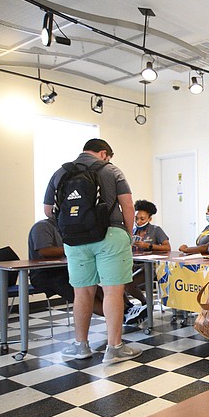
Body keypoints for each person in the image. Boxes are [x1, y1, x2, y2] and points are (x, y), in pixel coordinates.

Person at [44, 138, 142, 363]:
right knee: (112, 291)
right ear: (104, 153)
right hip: (110, 235)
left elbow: (48, 210)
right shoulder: (111, 170)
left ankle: (80, 346)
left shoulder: (60, 172)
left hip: (75, 241)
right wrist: (127, 233)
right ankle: (114, 348)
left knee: (82, 293)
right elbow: (127, 204)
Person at [27, 215, 105, 317]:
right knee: (84, 294)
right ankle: (119, 317)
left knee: (99, 290)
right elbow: (44, 251)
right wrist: (72, 249)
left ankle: (125, 311)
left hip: (64, 271)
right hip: (46, 274)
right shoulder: (42, 226)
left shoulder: (65, 229)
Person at [124, 199, 170, 324]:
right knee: (118, 284)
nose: (138, 222)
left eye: (142, 219)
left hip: (152, 267)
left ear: (149, 219)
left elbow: (167, 247)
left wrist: (149, 246)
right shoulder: (132, 231)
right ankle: (130, 309)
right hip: (134, 264)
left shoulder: (156, 230)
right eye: (136, 218)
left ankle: (146, 304)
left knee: (128, 285)